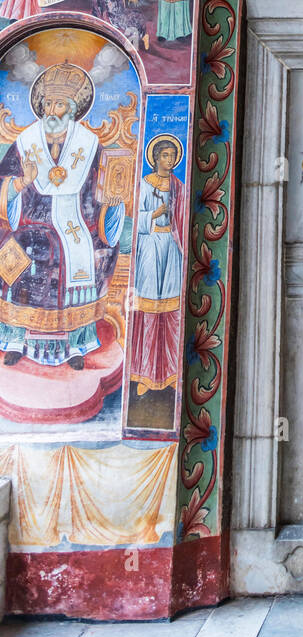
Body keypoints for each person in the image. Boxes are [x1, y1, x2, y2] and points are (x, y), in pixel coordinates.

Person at [0, 62, 125, 369]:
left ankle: (76, 345)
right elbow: (3, 182)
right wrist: (20, 183)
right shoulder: (25, 142)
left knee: (84, 252)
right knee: (16, 254)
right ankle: (16, 339)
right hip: (30, 222)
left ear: (72, 108)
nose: (51, 110)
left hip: (75, 222)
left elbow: (105, 187)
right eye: (47, 103)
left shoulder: (89, 144)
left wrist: (112, 200)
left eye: (59, 104)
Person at [129, 135, 184, 396]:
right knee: (150, 311)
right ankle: (146, 375)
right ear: (155, 158)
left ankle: (171, 372)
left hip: (171, 248)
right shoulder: (144, 184)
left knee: (171, 311)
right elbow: (135, 220)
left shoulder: (179, 187)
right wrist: (154, 214)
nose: (169, 160)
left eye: (173, 156)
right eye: (165, 155)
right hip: (151, 248)